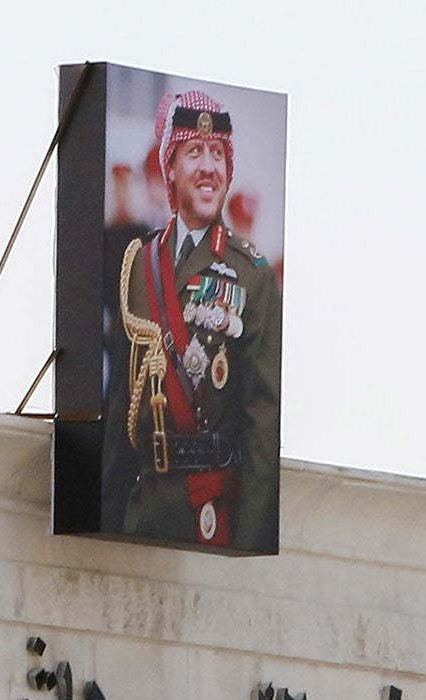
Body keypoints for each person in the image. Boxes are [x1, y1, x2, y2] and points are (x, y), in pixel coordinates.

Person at [105, 88, 282, 553]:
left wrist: (251, 542)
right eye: (194, 152)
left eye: (218, 154)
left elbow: (262, 423)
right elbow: (122, 402)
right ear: (170, 169)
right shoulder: (139, 264)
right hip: (143, 509)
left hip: (209, 515)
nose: (209, 167)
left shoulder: (252, 275)